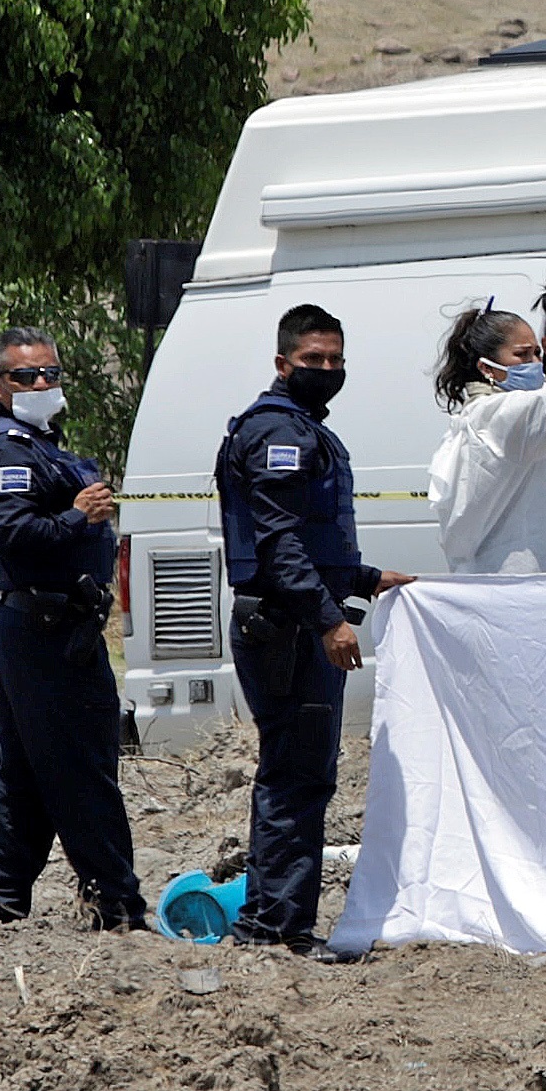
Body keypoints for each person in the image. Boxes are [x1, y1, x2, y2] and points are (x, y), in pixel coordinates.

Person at [215, 304, 412, 962]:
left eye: (336, 360)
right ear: (283, 363)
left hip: (294, 616)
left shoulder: (298, 427)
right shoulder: (279, 431)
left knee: (297, 775)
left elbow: (310, 540)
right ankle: (275, 926)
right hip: (289, 626)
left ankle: (275, 920)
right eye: (314, 360)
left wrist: (365, 576)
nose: (327, 370)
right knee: (296, 778)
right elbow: (278, 543)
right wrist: (329, 617)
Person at [0, 326, 146, 932]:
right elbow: (17, 533)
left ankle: (0, 905)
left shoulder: (42, 443)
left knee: (22, 775)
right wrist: (77, 516)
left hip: (54, 627)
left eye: (49, 374)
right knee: (82, 771)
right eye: (25, 375)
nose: (41, 383)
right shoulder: (7, 449)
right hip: (43, 631)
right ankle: (115, 903)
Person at [427, 297, 546, 574]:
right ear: (486, 368)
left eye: (537, 354)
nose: (535, 363)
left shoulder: (500, 414)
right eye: (522, 355)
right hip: (515, 581)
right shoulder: (491, 417)